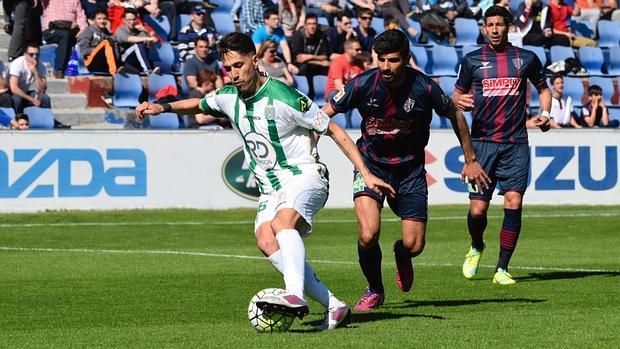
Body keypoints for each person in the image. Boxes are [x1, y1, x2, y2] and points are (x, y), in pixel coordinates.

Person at [135, 32, 395, 329]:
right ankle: (334, 306)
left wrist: (365, 171)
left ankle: (294, 295)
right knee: (266, 239)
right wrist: (162, 107)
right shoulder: (228, 97)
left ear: (255, 62)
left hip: (305, 175)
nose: (233, 74)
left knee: (283, 224)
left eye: (238, 65)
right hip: (270, 188)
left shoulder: (284, 96)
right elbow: (199, 104)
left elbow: (333, 130)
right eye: (228, 68)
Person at [322, 29, 489, 311]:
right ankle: (374, 289)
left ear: (407, 59)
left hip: (410, 171)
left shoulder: (424, 87)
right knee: (368, 233)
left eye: (393, 60)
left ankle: (401, 255)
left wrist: (470, 159)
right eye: (381, 60)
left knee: (414, 246)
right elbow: (322, 115)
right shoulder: (362, 84)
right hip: (370, 166)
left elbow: (455, 114)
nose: (386, 67)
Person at [452, 6, 552, 286]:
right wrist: (458, 100)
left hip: (515, 143)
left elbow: (544, 89)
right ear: (484, 28)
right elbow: (455, 97)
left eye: (499, 24)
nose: (494, 29)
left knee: (514, 201)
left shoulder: (526, 58)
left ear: (509, 27)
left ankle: (502, 268)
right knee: (477, 211)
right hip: (481, 145)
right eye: (489, 25)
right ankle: (476, 245)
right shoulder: (472, 60)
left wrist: (546, 114)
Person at [41, 0, 89, 78]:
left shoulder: (75, 1)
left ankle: (86, 69)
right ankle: (59, 69)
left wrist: (82, 30)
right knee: (65, 35)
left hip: (70, 29)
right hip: (51, 29)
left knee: (85, 34)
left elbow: (81, 16)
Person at [289, 14, 330, 98]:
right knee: (306, 67)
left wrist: (309, 57)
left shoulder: (321, 35)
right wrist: (320, 62)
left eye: (314, 24)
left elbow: (325, 56)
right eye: (309, 24)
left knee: (329, 67)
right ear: (305, 25)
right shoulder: (298, 36)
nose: (312, 26)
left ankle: (327, 95)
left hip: (315, 65)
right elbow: (299, 58)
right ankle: (307, 95)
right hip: (301, 66)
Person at [251, 8, 297, 75]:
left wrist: (289, 63)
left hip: (273, 56)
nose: (277, 21)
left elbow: (285, 48)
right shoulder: (258, 34)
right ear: (266, 20)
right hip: (262, 60)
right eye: (274, 19)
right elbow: (257, 53)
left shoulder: (279, 31)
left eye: (278, 19)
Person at [9, 42, 52, 113]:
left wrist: (36, 72)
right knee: (17, 99)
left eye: (37, 54)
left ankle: (43, 121)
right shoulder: (17, 64)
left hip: (25, 92)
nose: (35, 57)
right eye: (31, 54)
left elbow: (42, 90)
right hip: (12, 93)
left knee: (44, 98)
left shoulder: (41, 66)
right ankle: (18, 122)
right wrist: (31, 99)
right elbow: (14, 88)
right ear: (25, 54)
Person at [114, 8, 158, 74]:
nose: (132, 22)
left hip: (138, 59)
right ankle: (148, 70)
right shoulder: (120, 30)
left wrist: (147, 33)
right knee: (138, 45)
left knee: (162, 65)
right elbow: (129, 39)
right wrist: (147, 38)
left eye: (133, 19)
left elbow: (149, 46)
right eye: (129, 20)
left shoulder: (139, 31)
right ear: (124, 20)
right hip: (125, 59)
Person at [78, 9, 119, 75]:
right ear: (94, 20)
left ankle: (117, 67)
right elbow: (84, 50)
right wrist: (98, 49)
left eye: (104, 19)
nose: (102, 21)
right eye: (99, 19)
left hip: (103, 63)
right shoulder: (88, 30)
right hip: (90, 62)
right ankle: (113, 71)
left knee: (111, 41)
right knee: (106, 42)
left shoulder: (108, 33)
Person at [324, 37, 364, 102]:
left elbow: (363, 82)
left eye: (360, 49)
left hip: (351, 92)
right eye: (357, 49)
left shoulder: (359, 63)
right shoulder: (338, 62)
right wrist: (353, 94)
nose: (360, 52)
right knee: (344, 99)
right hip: (335, 92)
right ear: (348, 50)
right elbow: (338, 85)